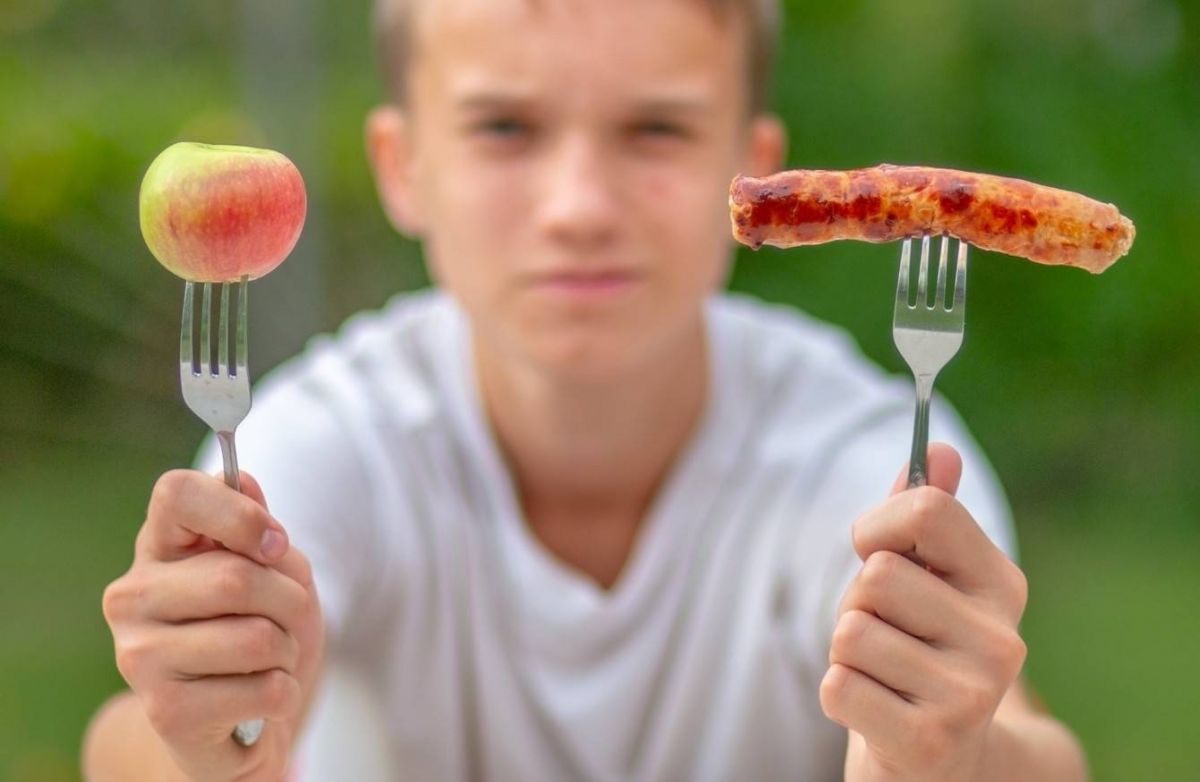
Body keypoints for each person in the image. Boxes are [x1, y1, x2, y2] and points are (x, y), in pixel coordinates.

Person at [83, 0, 1091, 780]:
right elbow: (126, 745)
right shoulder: (322, 434)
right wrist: (202, 735)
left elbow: (1035, 745)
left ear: (755, 172)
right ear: (405, 166)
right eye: (506, 128)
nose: (579, 207)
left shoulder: (865, 450)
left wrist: (957, 756)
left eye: (656, 129)